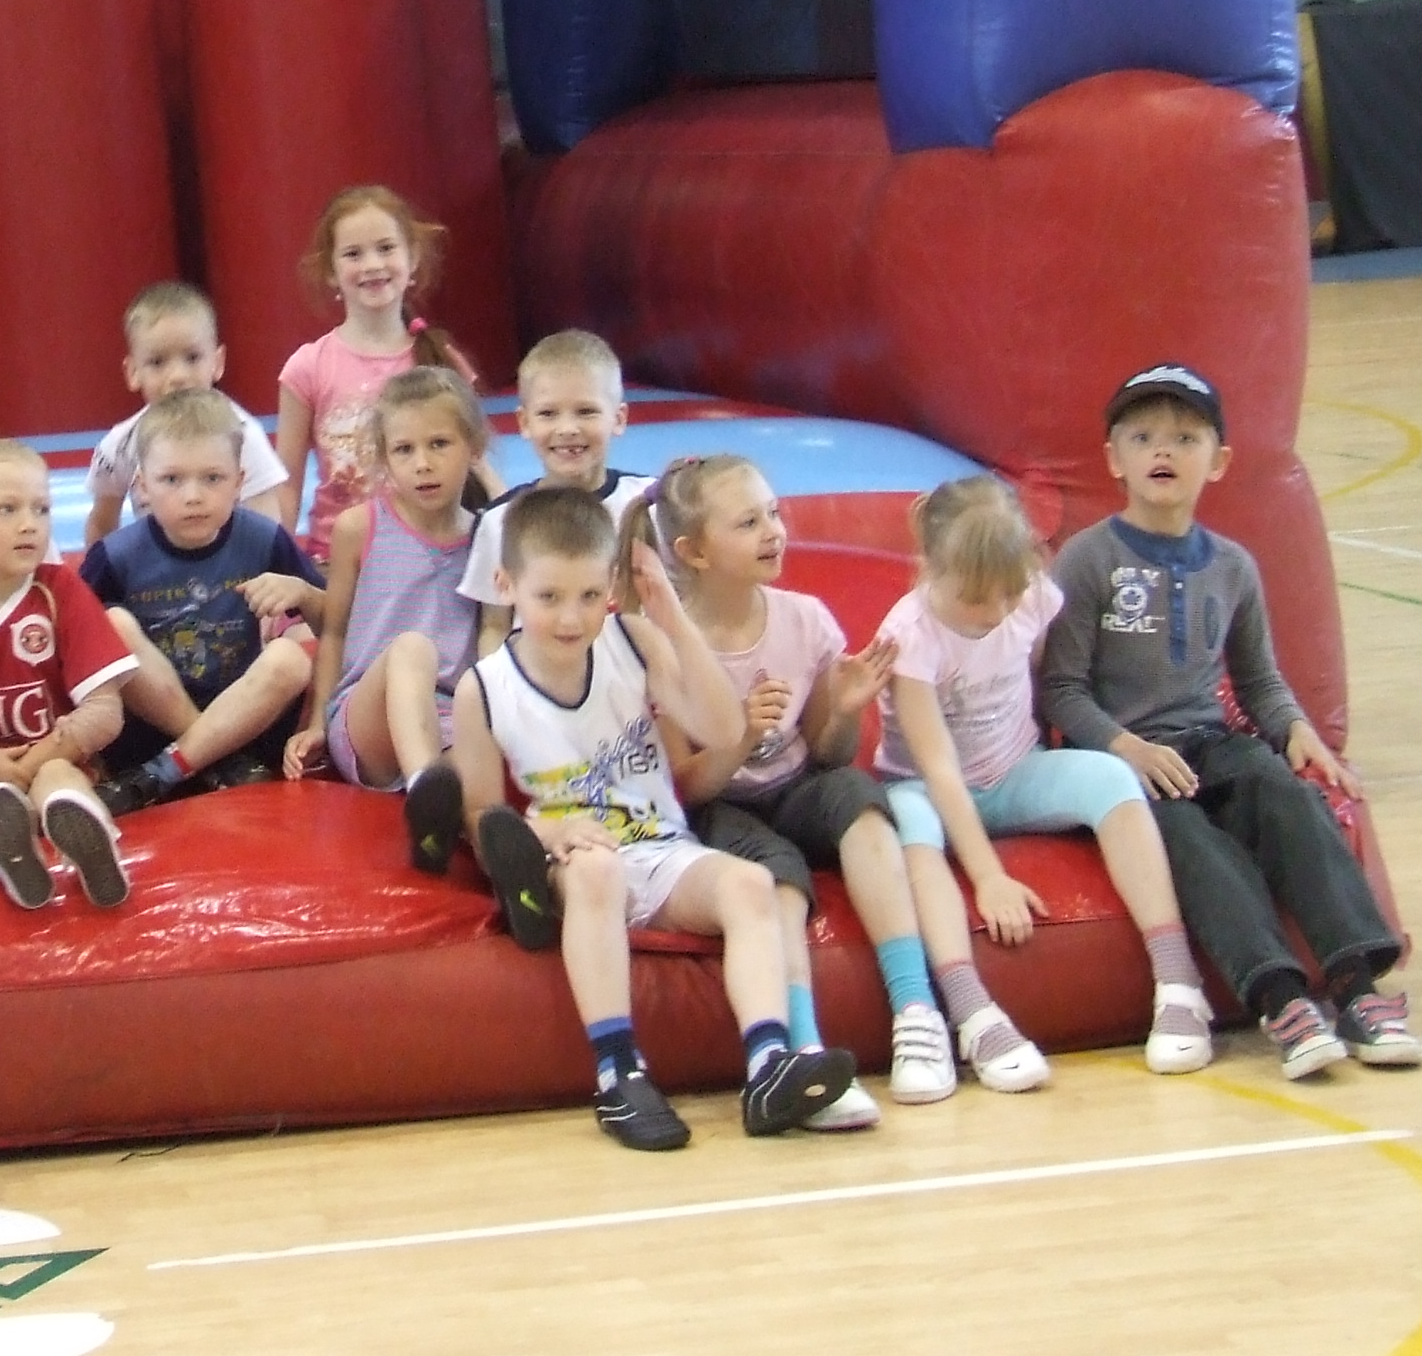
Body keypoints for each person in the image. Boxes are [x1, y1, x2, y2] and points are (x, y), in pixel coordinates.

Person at [1042, 363, 1422, 1077]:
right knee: (1191, 840)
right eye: (1143, 437)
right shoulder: (1088, 560)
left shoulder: (1234, 567)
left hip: (1211, 742)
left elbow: (1258, 680)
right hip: (1123, 765)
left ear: (1217, 462)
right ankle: (1281, 998)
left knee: (1284, 794)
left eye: (1185, 438)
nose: (1163, 450)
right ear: (1113, 459)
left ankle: (1355, 987)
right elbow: (1060, 691)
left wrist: (1295, 730)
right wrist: (1124, 747)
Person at [451, 486, 857, 1149]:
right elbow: (479, 813)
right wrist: (545, 830)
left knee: (750, 884)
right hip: (575, 854)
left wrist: (670, 614)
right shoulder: (484, 688)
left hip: (661, 845)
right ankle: (618, 1071)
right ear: (506, 585)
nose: (570, 617)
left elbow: (723, 729)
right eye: (549, 597)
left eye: (589, 595)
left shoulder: (633, 641)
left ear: (611, 587)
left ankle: (768, 1064)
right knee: (598, 872)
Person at [875, 475, 1215, 1090]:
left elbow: (1035, 677)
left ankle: (1177, 978)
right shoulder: (911, 636)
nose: (995, 612)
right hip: (927, 788)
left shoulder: (1032, 596)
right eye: (975, 599)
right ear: (931, 568)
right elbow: (940, 767)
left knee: (1111, 779)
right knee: (911, 829)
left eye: (1007, 595)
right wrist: (989, 878)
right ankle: (972, 1010)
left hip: (1015, 771)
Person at [648, 454, 946, 1123]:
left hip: (794, 784)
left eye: (774, 514)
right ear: (694, 552)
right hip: (719, 804)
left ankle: (916, 1008)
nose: (773, 532)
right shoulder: (666, 645)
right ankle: (804, 1051)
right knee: (775, 876)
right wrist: (740, 738)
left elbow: (827, 753)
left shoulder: (805, 618)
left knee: (860, 802)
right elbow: (683, 788)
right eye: (748, 523)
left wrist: (844, 710)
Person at [83, 389, 326, 815]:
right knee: (112, 624)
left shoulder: (263, 539)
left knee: (290, 658)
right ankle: (211, 756)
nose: (193, 496)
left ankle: (164, 772)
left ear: (239, 482)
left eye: (212, 478)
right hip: (149, 731)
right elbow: (73, 645)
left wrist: (303, 594)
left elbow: (336, 626)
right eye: (172, 480)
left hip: (246, 719)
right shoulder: (116, 555)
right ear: (142, 486)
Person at [0, 440, 136, 909]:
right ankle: (10, 860)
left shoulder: (60, 590)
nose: (30, 524)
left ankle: (90, 838)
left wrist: (32, 763)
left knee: (60, 779)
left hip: (56, 758)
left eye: (41, 509)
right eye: (7, 509)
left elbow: (105, 712)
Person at [289, 369, 484, 874]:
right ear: (384, 458)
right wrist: (316, 722)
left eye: (439, 444)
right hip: (367, 715)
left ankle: (507, 866)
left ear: (473, 446)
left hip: (447, 719)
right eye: (404, 450)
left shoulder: (487, 539)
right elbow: (333, 632)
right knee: (412, 649)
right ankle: (425, 794)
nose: (423, 463)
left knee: (478, 789)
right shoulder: (360, 527)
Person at [275, 185, 492, 563]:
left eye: (386, 248)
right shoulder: (308, 367)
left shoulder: (443, 361)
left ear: (412, 258)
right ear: (331, 270)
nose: (372, 264)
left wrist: (510, 528)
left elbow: (477, 465)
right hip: (338, 561)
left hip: (433, 557)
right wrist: (276, 561)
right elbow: (286, 486)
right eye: (354, 254)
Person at [460, 330, 653, 654]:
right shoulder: (501, 521)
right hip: (537, 681)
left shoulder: (649, 504)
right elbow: (494, 625)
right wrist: (497, 684)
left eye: (586, 411)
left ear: (619, 418)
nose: (567, 429)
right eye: (548, 414)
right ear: (524, 422)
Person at [83, 281, 286, 546]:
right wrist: (101, 569)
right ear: (133, 372)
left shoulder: (242, 435)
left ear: (217, 362)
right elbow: (102, 524)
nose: (178, 376)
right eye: (157, 362)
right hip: (155, 568)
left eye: (192, 358)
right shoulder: (120, 445)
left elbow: (268, 526)